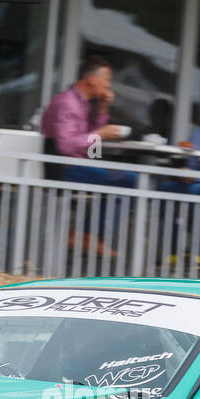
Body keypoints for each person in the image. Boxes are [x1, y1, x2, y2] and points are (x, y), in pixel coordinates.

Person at [41, 55, 136, 254]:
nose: (109, 85)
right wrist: (100, 134)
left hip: (77, 164)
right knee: (131, 181)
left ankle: (87, 235)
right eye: (107, 80)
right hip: (63, 168)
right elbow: (67, 146)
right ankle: (87, 234)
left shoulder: (82, 102)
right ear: (92, 79)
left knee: (128, 180)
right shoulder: (67, 102)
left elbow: (92, 147)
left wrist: (102, 108)